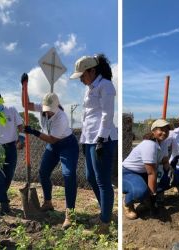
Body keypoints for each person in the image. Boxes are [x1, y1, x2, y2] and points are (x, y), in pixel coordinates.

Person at [21, 73, 79, 230]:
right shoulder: (43, 108)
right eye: (45, 110)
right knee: (43, 172)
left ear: (56, 107)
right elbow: (26, 105)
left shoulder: (61, 118)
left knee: (68, 176)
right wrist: (24, 86)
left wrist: (33, 132)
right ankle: (48, 202)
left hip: (66, 144)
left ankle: (70, 214)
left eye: (50, 111)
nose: (46, 113)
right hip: (53, 145)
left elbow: (52, 139)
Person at [69, 54, 118, 233]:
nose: (81, 79)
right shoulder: (90, 87)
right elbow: (88, 116)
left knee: (103, 181)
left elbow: (107, 114)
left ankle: (104, 224)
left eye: (83, 75)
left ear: (92, 70)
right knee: (91, 177)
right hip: (90, 138)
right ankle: (105, 212)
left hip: (102, 139)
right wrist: (85, 139)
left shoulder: (105, 85)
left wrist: (100, 139)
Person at [122, 119, 171, 220]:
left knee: (168, 180)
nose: (164, 133)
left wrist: (169, 170)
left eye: (167, 130)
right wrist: (152, 195)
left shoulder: (164, 142)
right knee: (140, 191)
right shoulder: (149, 145)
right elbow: (151, 173)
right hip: (128, 172)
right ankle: (127, 202)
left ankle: (146, 199)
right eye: (161, 130)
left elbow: (165, 160)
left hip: (144, 173)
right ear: (153, 131)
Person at [0, 90, 23, 215]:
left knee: (9, 174)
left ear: (1, 100)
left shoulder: (11, 110)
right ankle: (3, 203)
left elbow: (20, 125)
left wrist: (21, 138)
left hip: (11, 147)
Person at [165, 110, 179, 193]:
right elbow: (164, 144)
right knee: (178, 169)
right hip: (177, 161)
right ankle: (177, 184)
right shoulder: (173, 133)